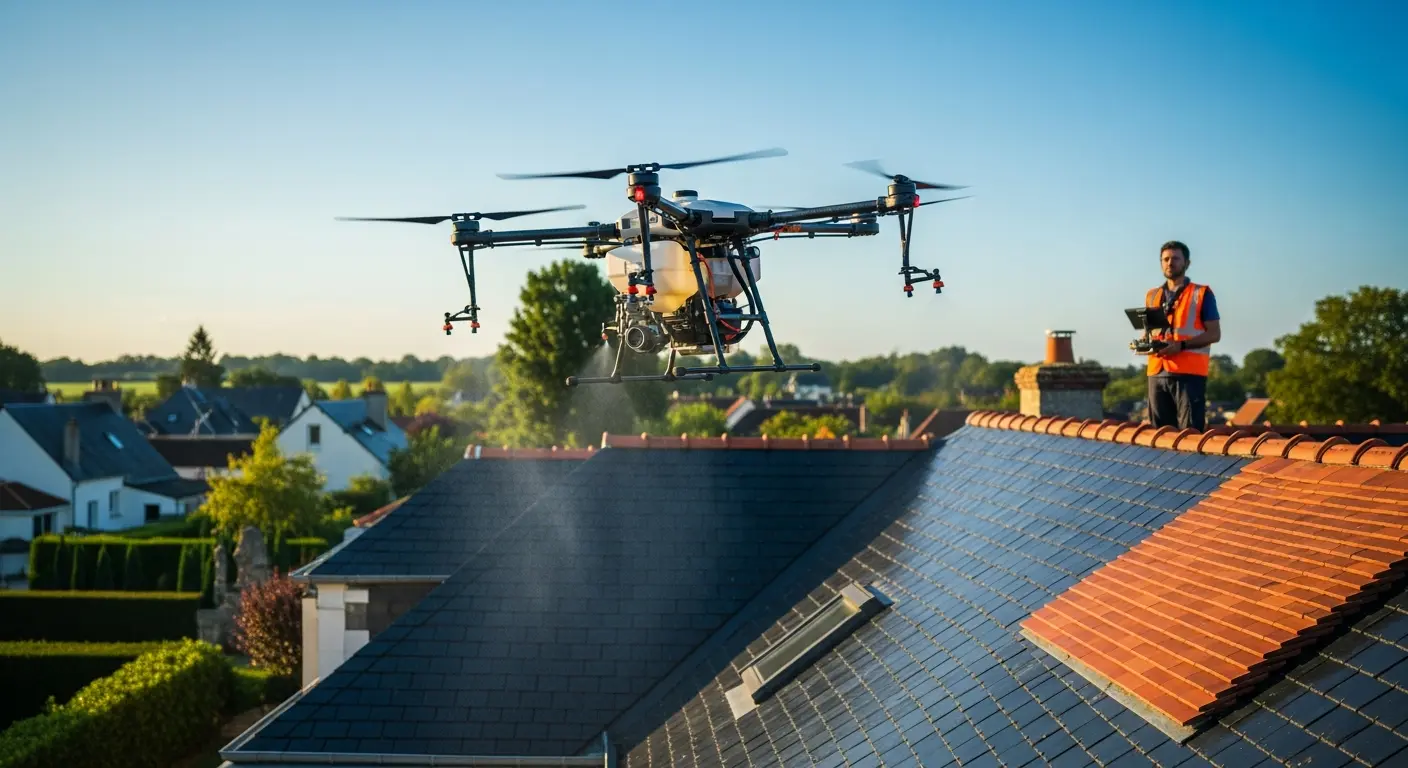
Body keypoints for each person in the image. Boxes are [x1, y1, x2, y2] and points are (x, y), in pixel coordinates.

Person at [1143, 240, 1221, 430]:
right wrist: (1145, 343)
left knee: (1190, 434)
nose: (1170, 263)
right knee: (1159, 436)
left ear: (1186, 263)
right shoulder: (1152, 295)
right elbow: (1152, 332)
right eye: (1166, 259)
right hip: (1157, 372)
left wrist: (1181, 345)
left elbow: (1214, 334)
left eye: (1176, 258)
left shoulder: (1201, 294)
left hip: (1189, 373)